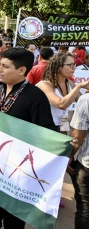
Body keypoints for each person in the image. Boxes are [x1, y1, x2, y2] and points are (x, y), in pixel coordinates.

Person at [0, 48, 57, 229]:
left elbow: (46, 131)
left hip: (18, 166)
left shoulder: (35, 96)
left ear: (22, 70)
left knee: (13, 208)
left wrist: (62, 144)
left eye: (4, 67)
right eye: (0, 65)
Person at [37, 53, 89, 132]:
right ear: (59, 67)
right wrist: (79, 86)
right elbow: (61, 104)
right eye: (70, 65)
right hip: (46, 128)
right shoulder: (44, 84)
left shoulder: (69, 83)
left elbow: (81, 101)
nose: (74, 68)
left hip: (64, 127)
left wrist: (87, 93)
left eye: (74, 64)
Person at [70, 92, 89, 229]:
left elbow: (77, 136)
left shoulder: (86, 100)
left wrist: (69, 156)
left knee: (85, 207)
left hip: (86, 163)